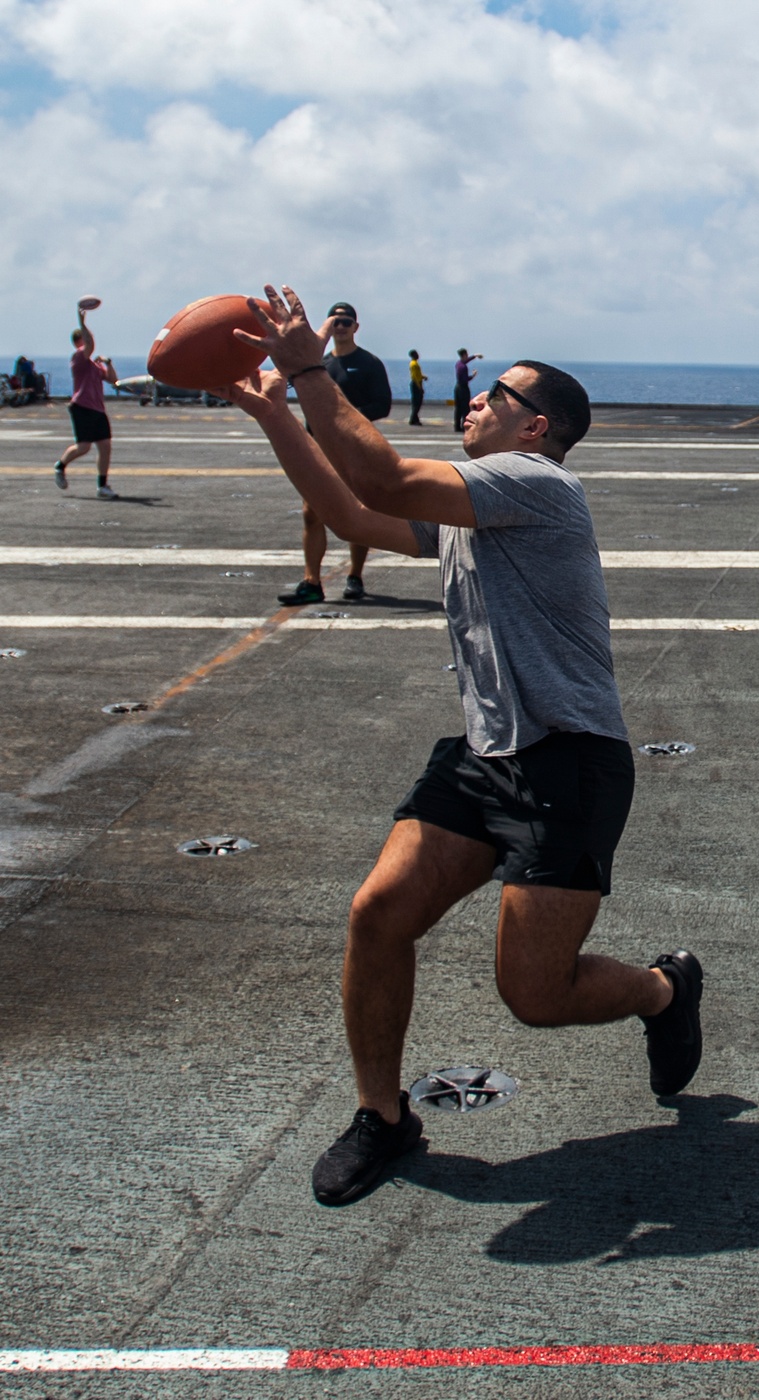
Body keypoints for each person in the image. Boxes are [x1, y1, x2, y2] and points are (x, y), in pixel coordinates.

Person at [225, 285, 705, 1207]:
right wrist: (273, 411)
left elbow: (385, 482)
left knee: (536, 995)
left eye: (498, 395)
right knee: (378, 914)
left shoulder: (538, 486)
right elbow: (354, 510)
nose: (475, 400)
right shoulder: (470, 506)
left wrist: (306, 368)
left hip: (568, 762)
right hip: (489, 753)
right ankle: (384, 1117)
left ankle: (661, 992)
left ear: (540, 428)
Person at [279, 301, 392, 605]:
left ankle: (354, 576)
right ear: (327, 327)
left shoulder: (369, 363)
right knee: (310, 515)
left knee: (359, 513)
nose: (340, 326)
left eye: (346, 321)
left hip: (356, 449)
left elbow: (382, 405)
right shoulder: (320, 365)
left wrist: (345, 419)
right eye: (335, 321)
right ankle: (311, 581)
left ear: (356, 327)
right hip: (320, 450)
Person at [53, 307, 118, 498]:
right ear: (78, 342)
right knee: (84, 447)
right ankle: (60, 466)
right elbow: (90, 343)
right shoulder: (78, 359)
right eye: (84, 339)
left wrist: (108, 363)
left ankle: (102, 486)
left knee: (105, 446)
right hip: (82, 407)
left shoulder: (95, 365)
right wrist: (82, 323)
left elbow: (113, 379)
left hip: (98, 409)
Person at [453, 347, 483, 433]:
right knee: (465, 408)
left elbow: (466, 361)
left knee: (458, 408)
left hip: (457, 387)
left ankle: (457, 426)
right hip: (463, 388)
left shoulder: (458, 364)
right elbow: (465, 379)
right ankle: (464, 426)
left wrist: (475, 356)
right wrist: (473, 376)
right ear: (464, 355)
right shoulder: (463, 367)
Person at [408, 349, 428, 426]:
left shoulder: (415, 363)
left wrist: (423, 377)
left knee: (417, 402)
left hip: (417, 383)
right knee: (417, 402)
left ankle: (415, 418)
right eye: (416, 354)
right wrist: (419, 387)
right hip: (416, 384)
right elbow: (414, 377)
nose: (418, 355)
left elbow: (418, 375)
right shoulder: (414, 364)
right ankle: (413, 419)